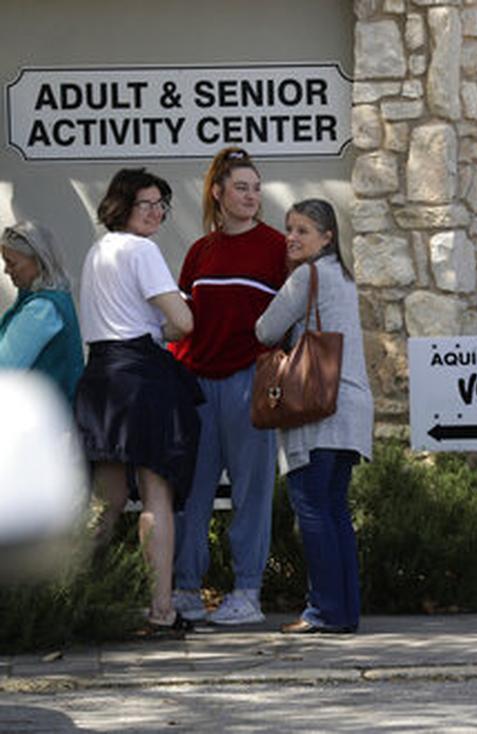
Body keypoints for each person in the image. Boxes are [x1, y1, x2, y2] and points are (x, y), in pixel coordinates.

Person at [75, 168, 200, 630]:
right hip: (141, 378)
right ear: (122, 206)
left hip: (100, 376)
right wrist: (165, 325)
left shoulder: (96, 251)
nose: (155, 213)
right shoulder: (142, 250)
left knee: (104, 501)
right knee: (155, 495)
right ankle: (162, 608)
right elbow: (183, 322)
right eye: (145, 204)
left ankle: (77, 595)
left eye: (160, 205)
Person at [172, 147, 288, 626]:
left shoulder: (276, 247)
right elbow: (182, 324)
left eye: (256, 188)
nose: (251, 196)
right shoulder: (200, 251)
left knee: (252, 493)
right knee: (191, 496)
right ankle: (185, 590)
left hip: (250, 382)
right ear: (218, 193)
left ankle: (246, 591)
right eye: (241, 187)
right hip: (199, 385)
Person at [255, 199, 373, 634]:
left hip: (316, 407)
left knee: (313, 511)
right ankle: (344, 612)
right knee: (336, 511)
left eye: (303, 230)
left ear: (327, 237)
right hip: (353, 408)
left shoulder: (306, 276)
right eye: (290, 228)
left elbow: (264, 330)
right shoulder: (344, 278)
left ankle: (321, 611)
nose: (292, 237)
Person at [0, 221, 83, 402]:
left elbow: (5, 368)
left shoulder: (42, 309)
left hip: (40, 420)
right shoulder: (52, 300)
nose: (6, 270)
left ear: (39, 261)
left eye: (12, 263)